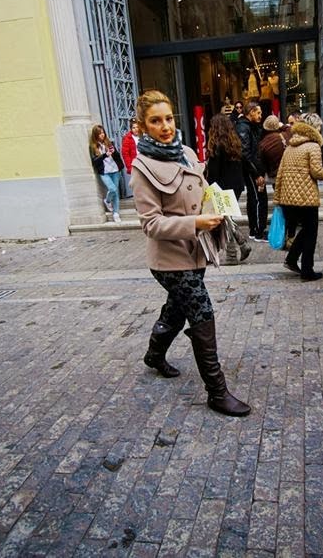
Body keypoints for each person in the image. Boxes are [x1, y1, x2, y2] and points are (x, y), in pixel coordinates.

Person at [131, 89, 251, 417]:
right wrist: (196, 222)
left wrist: (215, 206)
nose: (165, 126)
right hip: (170, 260)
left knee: (176, 309)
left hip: (196, 252)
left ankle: (154, 355)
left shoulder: (184, 152)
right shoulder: (142, 167)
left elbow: (198, 191)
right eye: (155, 121)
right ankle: (217, 391)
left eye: (168, 118)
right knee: (201, 311)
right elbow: (151, 224)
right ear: (143, 126)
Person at [274, 120, 323, 281]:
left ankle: (292, 259)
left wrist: (278, 198)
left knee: (306, 230)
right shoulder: (313, 146)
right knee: (311, 233)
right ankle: (307, 270)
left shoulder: (290, 147)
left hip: (288, 198)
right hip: (305, 198)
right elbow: (317, 172)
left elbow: (279, 173)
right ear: (314, 130)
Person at [204, 114, 251, 264]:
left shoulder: (217, 146)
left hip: (221, 187)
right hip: (236, 185)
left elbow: (214, 172)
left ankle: (231, 255)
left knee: (224, 219)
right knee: (226, 217)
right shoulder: (234, 142)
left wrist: (208, 187)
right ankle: (242, 244)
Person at [234, 101, 267, 241]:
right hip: (251, 170)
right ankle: (258, 231)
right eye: (258, 112)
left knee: (254, 199)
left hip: (252, 169)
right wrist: (256, 174)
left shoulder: (250, 127)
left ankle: (255, 230)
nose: (260, 115)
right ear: (251, 112)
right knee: (259, 199)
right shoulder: (243, 127)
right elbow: (245, 153)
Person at [89, 124, 124, 223]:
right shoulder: (93, 147)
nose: (102, 135)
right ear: (95, 135)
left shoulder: (109, 143)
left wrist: (114, 152)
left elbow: (117, 157)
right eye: (99, 133)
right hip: (104, 172)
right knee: (112, 189)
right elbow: (95, 161)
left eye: (103, 132)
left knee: (116, 192)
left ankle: (116, 213)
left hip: (115, 170)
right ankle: (107, 201)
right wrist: (105, 155)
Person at [258, 114, 289, 182]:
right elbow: (292, 130)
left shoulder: (263, 143)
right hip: (288, 172)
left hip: (275, 175)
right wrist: (283, 126)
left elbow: (262, 163)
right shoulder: (286, 135)